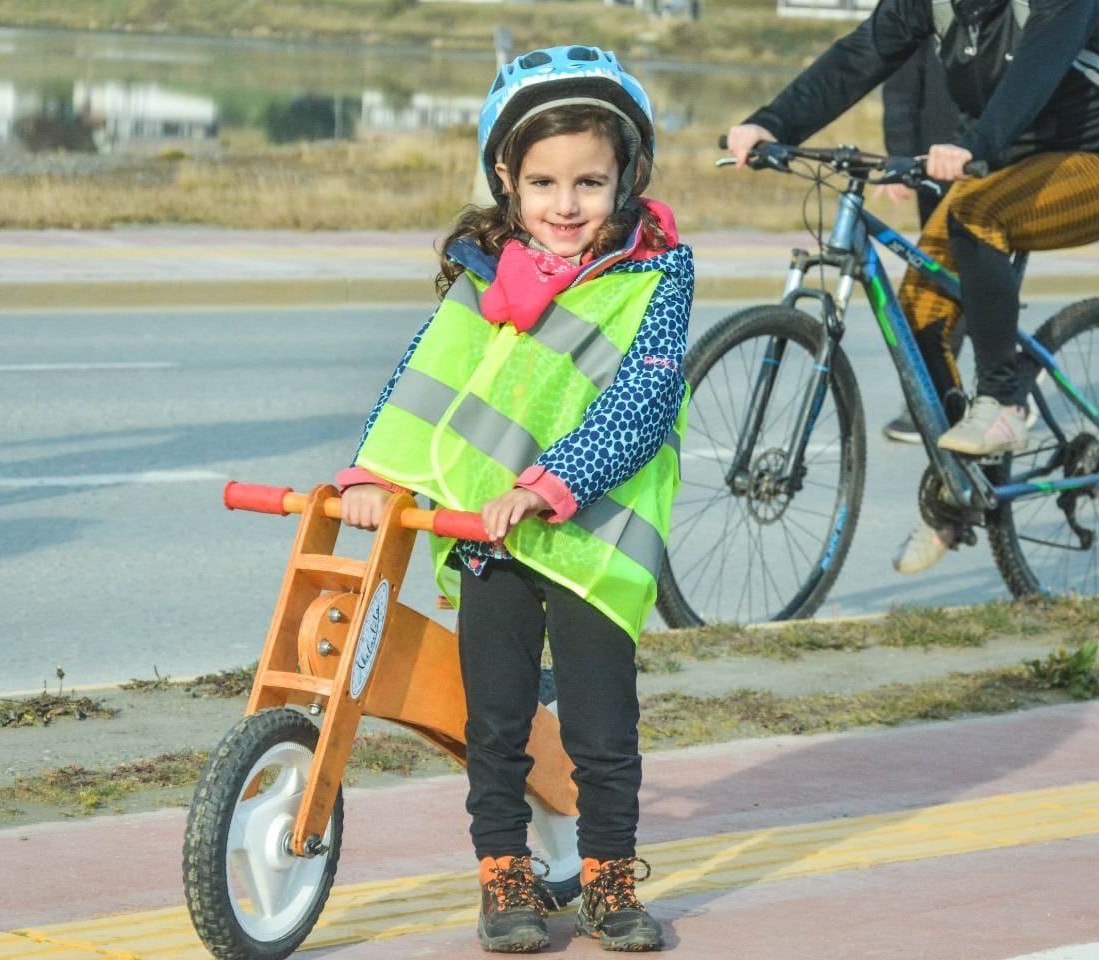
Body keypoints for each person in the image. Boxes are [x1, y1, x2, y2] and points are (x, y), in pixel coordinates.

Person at [337, 45, 692, 954]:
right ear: (506, 178)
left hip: (590, 540)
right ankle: (506, 882)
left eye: (589, 182)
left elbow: (643, 403)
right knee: (493, 724)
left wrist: (547, 485)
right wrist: (376, 474)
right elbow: (428, 377)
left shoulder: (657, 275)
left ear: (628, 179)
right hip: (488, 539)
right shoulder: (485, 272)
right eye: (541, 182)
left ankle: (611, 883)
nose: (564, 205)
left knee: (600, 730)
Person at [726, 0, 1099, 575]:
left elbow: (1035, 70)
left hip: (1091, 164)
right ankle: (956, 493)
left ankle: (1005, 403)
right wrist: (773, 122)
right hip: (992, 171)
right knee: (919, 320)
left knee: (975, 218)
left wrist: (979, 144)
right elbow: (860, 55)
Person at [878, 44, 967, 444]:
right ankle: (940, 394)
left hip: (993, 157)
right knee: (942, 280)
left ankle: (998, 392)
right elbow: (900, 82)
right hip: (933, 161)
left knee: (971, 277)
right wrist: (900, 155)